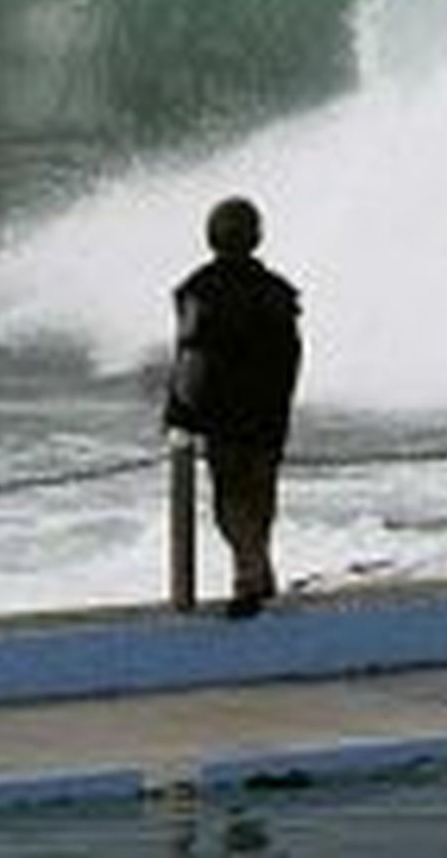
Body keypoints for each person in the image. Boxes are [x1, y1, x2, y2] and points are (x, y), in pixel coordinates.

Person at [164, 197, 302, 619]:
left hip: (222, 410)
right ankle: (261, 572)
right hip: (269, 409)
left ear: (211, 238)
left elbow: (192, 354)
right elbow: (293, 353)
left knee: (230, 500)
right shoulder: (279, 291)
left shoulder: (198, 290)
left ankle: (248, 574)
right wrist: (283, 401)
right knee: (261, 497)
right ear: (256, 237)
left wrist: (179, 409)